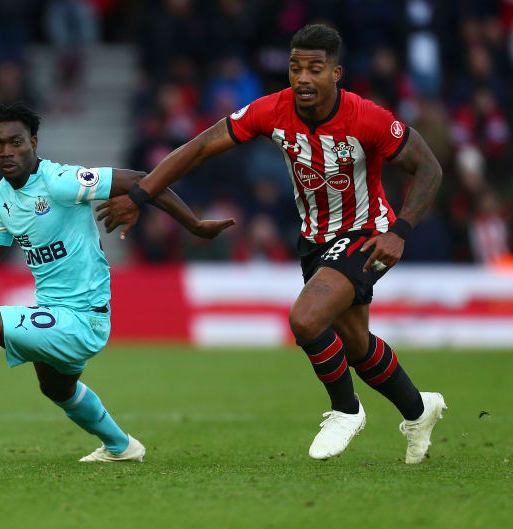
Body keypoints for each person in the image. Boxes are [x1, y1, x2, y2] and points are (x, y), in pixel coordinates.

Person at [97, 24, 446, 464]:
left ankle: (346, 410)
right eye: (295, 68)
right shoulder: (273, 110)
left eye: (314, 68)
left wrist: (400, 231)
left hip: (367, 234)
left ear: (335, 73)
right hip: (315, 240)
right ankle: (418, 410)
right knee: (356, 345)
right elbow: (201, 146)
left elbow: (429, 168)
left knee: (306, 319)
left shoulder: (367, 118)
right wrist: (140, 196)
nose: (302, 78)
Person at [0, 101, 234, 462]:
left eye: (16, 142)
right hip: (53, 313)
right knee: (57, 388)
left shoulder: (61, 181)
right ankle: (121, 447)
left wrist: (193, 224)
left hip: (85, 318)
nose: (7, 152)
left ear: (33, 143)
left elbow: (140, 179)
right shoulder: (0, 199)